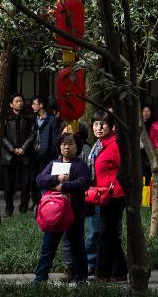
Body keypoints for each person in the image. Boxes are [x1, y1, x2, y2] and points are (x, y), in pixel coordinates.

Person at [33, 133, 91, 284]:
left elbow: (83, 183)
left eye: (71, 143)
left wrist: (63, 186)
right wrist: (57, 179)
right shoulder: (53, 164)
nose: (66, 146)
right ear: (59, 147)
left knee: (77, 248)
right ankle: (40, 279)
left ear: (77, 147)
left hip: (74, 214)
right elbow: (39, 179)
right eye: (63, 144)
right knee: (48, 248)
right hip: (53, 214)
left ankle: (81, 280)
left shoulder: (80, 165)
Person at [89, 109, 128, 282]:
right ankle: (119, 272)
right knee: (110, 234)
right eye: (96, 124)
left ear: (111, 126)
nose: (99, 127)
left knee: (105, 234)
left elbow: (125, 170)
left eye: (103, 124)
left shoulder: (115, 144)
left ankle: (103, 274)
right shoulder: (99, 144)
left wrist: (113, 186)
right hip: (102, 195)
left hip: (114, 196)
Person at [2, 93, 34, 216]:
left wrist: (23, 148)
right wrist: (13, 149)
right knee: (8, 184)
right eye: (17, 101)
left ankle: (23, 209)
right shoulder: (5, 118)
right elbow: (2, 137)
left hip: (24, 155)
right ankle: (8, 209)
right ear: (11, 104)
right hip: (8, 156)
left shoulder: (28, 118)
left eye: (21, 101)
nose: (20, 103)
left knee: (25, 184)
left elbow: (32, 134)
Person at [31, 95, 60, 207]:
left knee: (45, 178)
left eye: (35, 104)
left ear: (41, 105)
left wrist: (51, 153)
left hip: (47, 155)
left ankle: (44, 200)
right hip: (34, 154)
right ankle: (35, 202)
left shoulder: (51, 120)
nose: (33, 106)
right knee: (33, 178)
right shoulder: (33, 119)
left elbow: (54, 138)